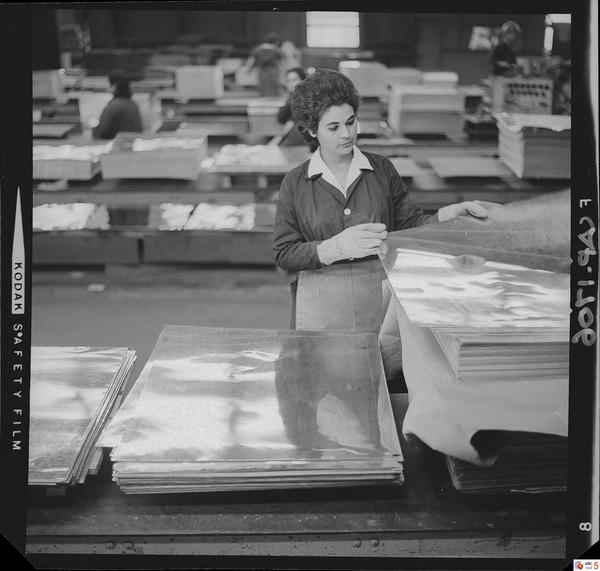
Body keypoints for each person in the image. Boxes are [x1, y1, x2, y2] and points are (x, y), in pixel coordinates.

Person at [272, 69, 493, 332]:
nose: (346, 134)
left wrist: (445, 217)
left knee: (382, 357)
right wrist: (333, 248)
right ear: (311, 130)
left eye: (351, 122)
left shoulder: (381, 170)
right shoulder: (296, 183)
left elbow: (409, 224)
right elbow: (285, 253)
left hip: (378, 306)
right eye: (333, 127)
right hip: (321, 311)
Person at [93, 71, 143, 140]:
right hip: (133, 144)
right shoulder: (134, 105)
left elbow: (103, 132)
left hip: (116, 144)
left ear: (114, 86)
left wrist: (94, 129)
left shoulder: (114, 106)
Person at [276, 67, 317, 149]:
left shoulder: (308, 99)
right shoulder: (291, 99)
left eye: (294, 80)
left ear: (303, 81)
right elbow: (282, 119)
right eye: (288, 81)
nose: (291, 84)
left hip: (302, 144)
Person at [242, 33, 284, 97]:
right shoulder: (276, 50)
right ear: (275, 42)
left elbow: (251, 60)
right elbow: (282, 62)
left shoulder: (257, 49)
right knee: (274, 91)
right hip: (273, 72)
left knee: (263, 90)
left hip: (262, 72)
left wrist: (248, 69)